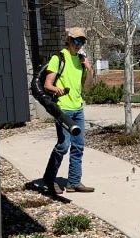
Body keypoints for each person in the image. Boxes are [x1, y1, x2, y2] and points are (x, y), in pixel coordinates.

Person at [41, 27, 94, 194]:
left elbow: (86, 88)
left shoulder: (81, 60)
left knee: (78, 147)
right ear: (69, 40)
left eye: (82, 41)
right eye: (76, 41)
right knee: (64, 145)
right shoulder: (59, 58)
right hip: (63, 109)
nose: (79, 45)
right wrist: (56, 89)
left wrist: (89, 69)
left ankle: (74, 182)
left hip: (78, 109)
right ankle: (49, 178)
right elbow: (47, 85)